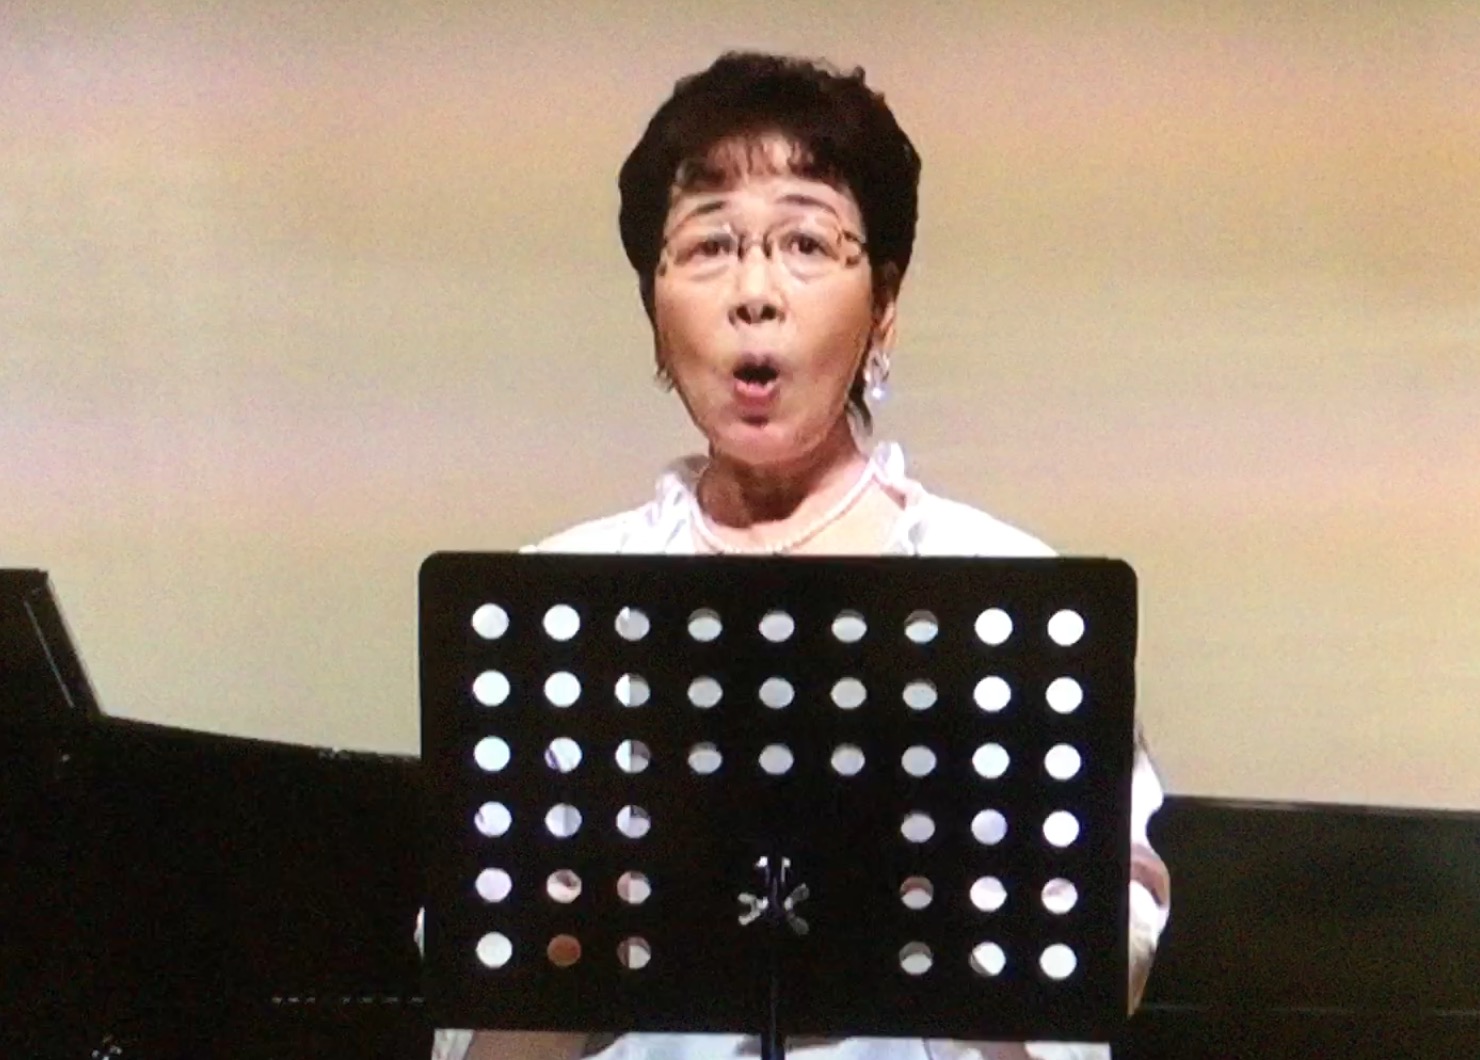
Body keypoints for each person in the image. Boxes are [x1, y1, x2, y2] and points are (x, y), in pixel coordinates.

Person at [430, 50, 1171, 1060]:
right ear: (653, 310)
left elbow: (1109, 947)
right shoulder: (551, 606)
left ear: (884, 304)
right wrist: (589, 914)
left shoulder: (1010, 597)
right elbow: (475, 995)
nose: (755, 293)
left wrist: (937, 912)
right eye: (708, 245)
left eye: (807, 243)